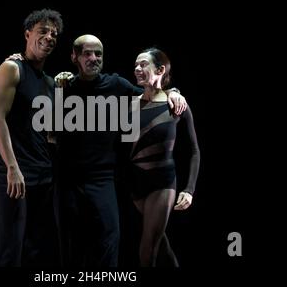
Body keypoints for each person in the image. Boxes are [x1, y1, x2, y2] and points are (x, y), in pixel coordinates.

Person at [53, 35, 187, 267]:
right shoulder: (63, 86)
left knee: (109, 243)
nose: (93, 58)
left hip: (103, 179)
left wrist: (173, 90)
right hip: (68, 181)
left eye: (98, 54)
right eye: (87, 53)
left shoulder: (117, 85)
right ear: (74, 57)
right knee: (71, 246)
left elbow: (150, 94)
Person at [0, 8, 63, 266]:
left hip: (43, 172)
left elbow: (51, 132)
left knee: (38, 247)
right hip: (16, 170)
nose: (49, 37)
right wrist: (12, 167)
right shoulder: (12, 68)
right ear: (28, 33)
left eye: (54, 34)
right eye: (43, 31)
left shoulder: (51, 83)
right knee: (12, 246)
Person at [126, 47, 200, 267]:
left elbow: (194, 151)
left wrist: (189, 189)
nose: (137, 69)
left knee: (147, 250)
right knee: (161, 245)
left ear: (160, 69)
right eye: (136, 65)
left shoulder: (177, 105)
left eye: (143, 64)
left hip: (162, 184)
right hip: (132, 184)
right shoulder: (127, 105)